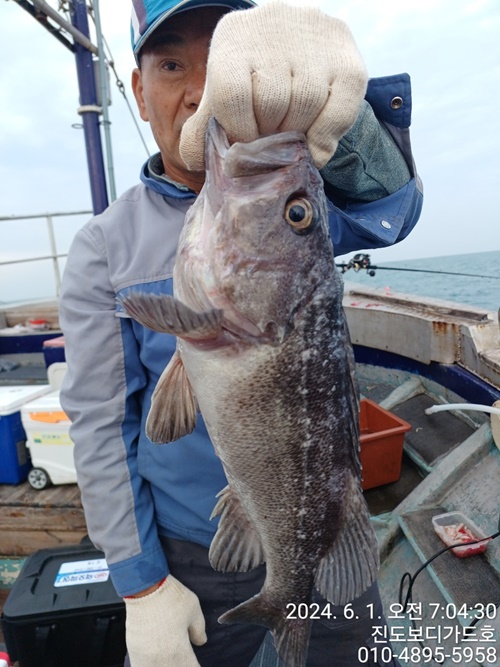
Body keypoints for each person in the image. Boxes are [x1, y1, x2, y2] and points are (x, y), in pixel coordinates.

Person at [59, 0, 423, 665]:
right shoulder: (104, 248)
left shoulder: (294, 187)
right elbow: (103, 428)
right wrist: (140, 583)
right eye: (172, 65)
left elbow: (391, 204)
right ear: (139, 91)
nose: (203, 90)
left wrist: (344, 114)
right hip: (192, 550)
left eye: (224, 60)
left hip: (323, 532)